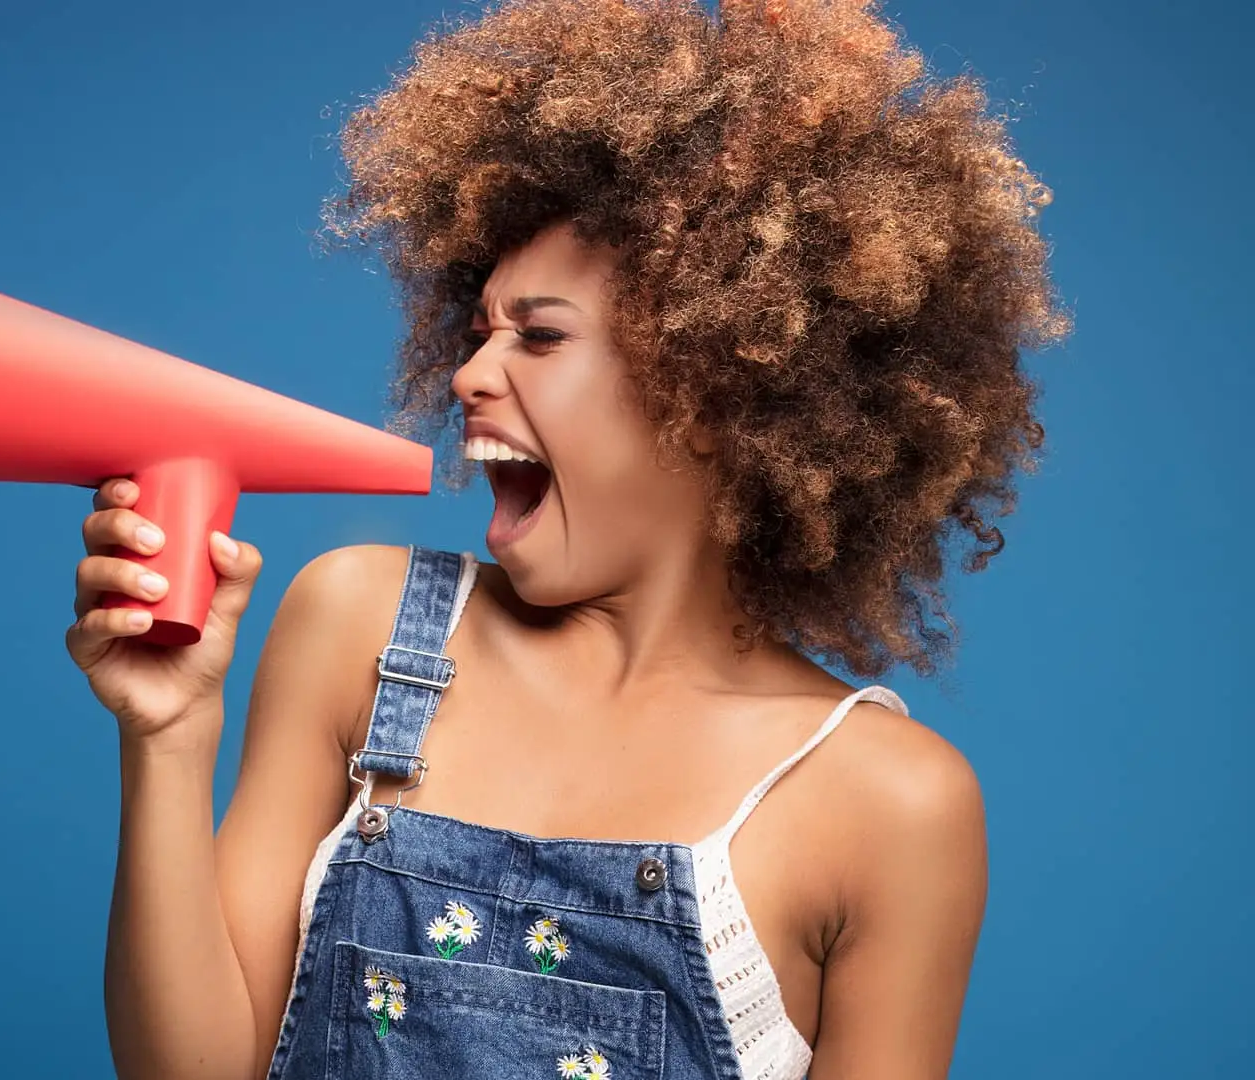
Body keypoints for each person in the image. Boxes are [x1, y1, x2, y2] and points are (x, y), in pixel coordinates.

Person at [65, 1, 1067, 1077]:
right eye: (479, 329)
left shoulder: (886, 801)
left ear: (719, 384)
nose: (468, 375)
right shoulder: (355, 619)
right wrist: (167, 738)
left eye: (539, 336)